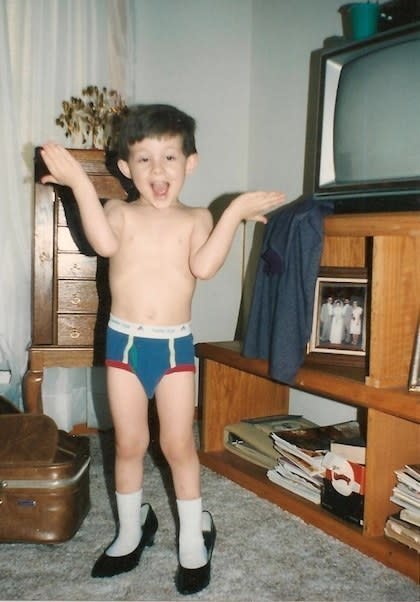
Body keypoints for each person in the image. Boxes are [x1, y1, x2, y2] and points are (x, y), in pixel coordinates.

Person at [39, 104, 285, 595]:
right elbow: (103, 243)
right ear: (126, 169)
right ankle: (132, 531)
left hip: (173, 349)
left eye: (169, 157)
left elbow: (207, 267)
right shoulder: (119, 213)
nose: (158, 170)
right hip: (124, 346)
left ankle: (193, 537)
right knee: (128, 444)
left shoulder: (197, 217)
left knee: (177, 445)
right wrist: (77, 183)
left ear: (189, 163)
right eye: (145, 159)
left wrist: (233, 213)